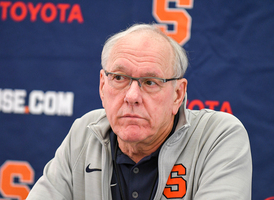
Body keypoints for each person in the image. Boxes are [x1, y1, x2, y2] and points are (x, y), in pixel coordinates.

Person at [26, 23, 252, 200]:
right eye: (119, 78)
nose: (132, 96)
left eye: (150, 81)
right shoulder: (84, 133)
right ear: (103, 86)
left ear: (178, 95)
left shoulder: (218, 136)